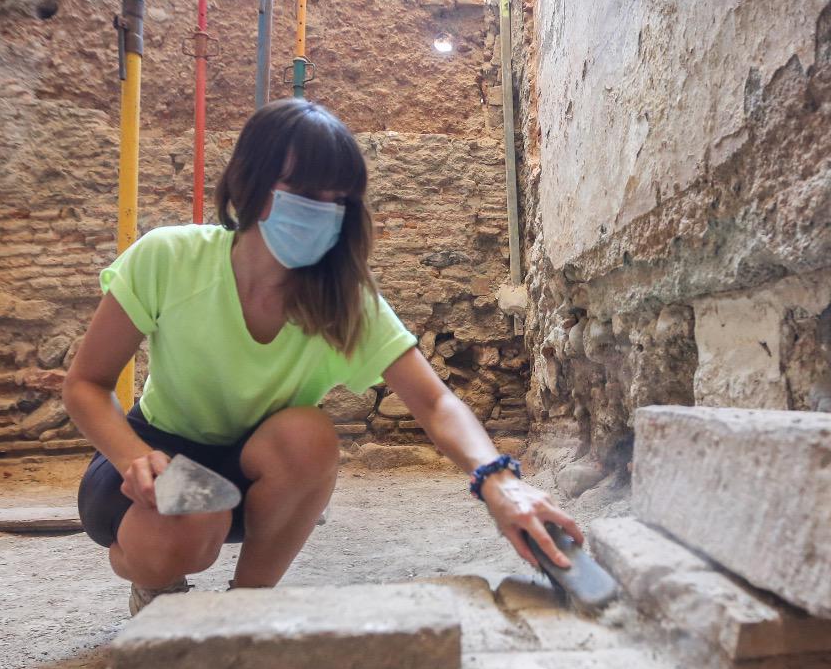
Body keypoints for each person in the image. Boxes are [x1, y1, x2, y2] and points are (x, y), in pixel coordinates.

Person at [64, 98, 580, 615]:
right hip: (155, 459)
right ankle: (155, 585)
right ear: (251, 181)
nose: (323, 213)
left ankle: (246, 608)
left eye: (340, 200)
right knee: (191, 523)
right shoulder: (169, 258)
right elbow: (86, 382)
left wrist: (500, 482)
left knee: (309, 438)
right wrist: (132, 457)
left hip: (253, 475)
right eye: (306, 194)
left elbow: (436, 404)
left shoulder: (343, 301)